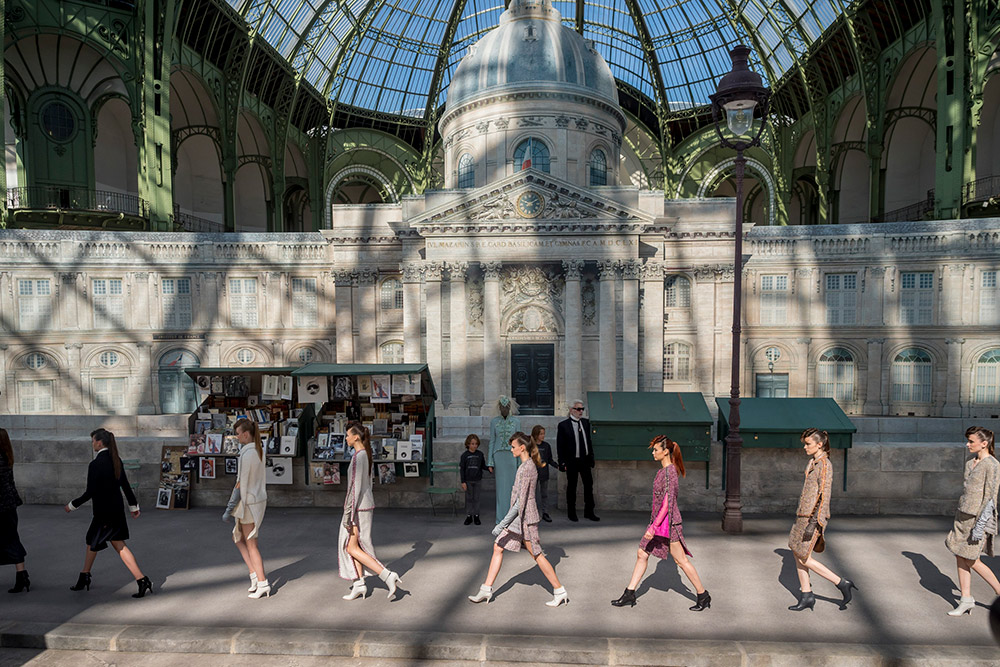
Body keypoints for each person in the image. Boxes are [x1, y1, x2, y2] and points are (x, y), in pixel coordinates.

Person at [468, 432, 568, 607]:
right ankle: (486, 589)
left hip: (526, 519)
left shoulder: (527, 468)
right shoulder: (525, 466)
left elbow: (519, 503)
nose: (511, 449)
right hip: (520, 518)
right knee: (498, 547)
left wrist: (502, 524)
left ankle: (560, 591)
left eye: (513, 446)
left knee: (536, 554)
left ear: (522, 448)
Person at [611, 435, 709, 610]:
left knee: (681, 561)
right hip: (659, 522)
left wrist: (654, 527)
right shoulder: (662, 472)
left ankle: (703, 595)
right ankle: (629, 593)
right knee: (642, 553)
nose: (653, 453)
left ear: (665, 452)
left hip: (668, 524)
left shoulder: (670, 472)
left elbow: (667, 503)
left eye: (656, 450)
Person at [64, 428, 152, 598]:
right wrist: (133, 507)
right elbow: (125, 485)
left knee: (113, 544)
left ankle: (141, 579)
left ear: (99, 442)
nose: (92, 444)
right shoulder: (115, 460)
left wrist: (72, 505)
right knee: (96, 541)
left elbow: (90, 492)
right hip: (115, 510)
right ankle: (85, 576)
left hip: (103, 513)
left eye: (93, 441)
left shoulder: (95, 464)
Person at [787, 428, 857, 611]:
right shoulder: (813, 463)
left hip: (812, 518)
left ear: (820, 444)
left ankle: (841, 582)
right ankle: (806, 594)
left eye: (808, 444)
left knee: (804, 556)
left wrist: (815, 522)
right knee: (796, 552)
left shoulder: (825, 465)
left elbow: (824, 495)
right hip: (802, 515)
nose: (804, 447)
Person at [339, 421, 401, 601]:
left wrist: (348, 513)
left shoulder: (359, 457)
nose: (346, 438)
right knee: (355, 546)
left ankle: (387, 575)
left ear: (356, 437)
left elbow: (354, 487)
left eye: (348, 435)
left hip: (358, 507)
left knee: (351, 546)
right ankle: (359, 584)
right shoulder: (364, 455)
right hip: (363, 505)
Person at [945, 426, 1000, 616]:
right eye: (968, 441)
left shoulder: (992, 465)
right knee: (959, 555)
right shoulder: (970, 463)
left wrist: (981, 524)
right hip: (962, 517)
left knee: (972, 559)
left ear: (984, 444)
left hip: (978, 520)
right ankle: (966, 599)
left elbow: (991, 497)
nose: (967, 444)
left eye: (971, 442)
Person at [224, 419, 269, 598]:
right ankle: (255, 576)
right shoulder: (258, 450)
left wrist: (229, 507)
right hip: (255, 500)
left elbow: (240, 483)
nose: (236, 436)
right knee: (240, 538)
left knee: (250, 544)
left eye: (238, 433)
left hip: (248, 503)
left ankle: (262, 581)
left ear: (245, 434)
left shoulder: (247, 452)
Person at [556, 399, 598, 522]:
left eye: (582, 409)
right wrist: (562, 462)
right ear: (571, 410)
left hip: (585, 460)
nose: (581, 412)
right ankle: (571, 512)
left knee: (588, 486)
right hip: (571, 461)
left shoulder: (586, 423)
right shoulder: (563, 425)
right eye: (578, 409)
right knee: (572, 487)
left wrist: (591, 457)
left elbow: (589, 442)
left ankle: (589, 512)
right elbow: (560, 445)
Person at [0, 428, 28, 593]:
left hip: (2, 507)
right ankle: (22, 576)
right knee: (12, 539)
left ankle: (22, 577)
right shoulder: (7, 457)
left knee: (9, 541)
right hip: (9, 506)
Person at [488, 396, 521, 523]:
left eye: (506, 407)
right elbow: (492, 441)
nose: (504, 410)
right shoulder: (494, 422)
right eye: (502, 407)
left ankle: (512, 516)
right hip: (498, 456)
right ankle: (500, 517)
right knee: (501, 488)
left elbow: (519, 441)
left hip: (512, 456)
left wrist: (520, 461)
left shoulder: (516, 422)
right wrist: (490, 461)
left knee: (513, 487)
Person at [531, 425, 556, 522]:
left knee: (544, 494)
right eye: (541, 434)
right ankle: (533, 513)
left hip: (544, 473)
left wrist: (558, 466)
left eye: (543, 434)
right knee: (533, 494)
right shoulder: (531, 446)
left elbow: (549, 459)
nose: (543, 436)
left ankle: (545, 512)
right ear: (536, 434)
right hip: (533, 474)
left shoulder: (546, 446)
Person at [460, 434, 487, 525]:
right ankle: (469, 516)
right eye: (472, 444)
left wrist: (489, 468)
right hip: (468, 480)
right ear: (468, 444)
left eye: (476, 444)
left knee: (476, 498)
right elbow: (462, 469)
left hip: (477, 480)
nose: (474, 446)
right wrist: (463, 482)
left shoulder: (480, 454)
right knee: (469, 498)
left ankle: (476, 515)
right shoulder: (465, 455)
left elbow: (483, 465)